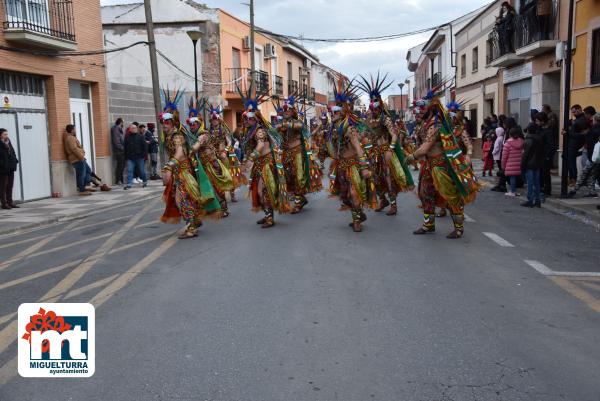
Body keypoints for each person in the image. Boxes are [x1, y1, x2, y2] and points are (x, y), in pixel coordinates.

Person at [407, 91, 479, 239]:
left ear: (431, 108)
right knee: (425, 194)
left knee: (450, 196)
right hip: (428, 165)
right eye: (419, 108)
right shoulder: (425, 124)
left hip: (441, 166)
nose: (419, 111)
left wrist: (410, 157)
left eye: (422, 108)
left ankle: (458, 228)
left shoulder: (436, 125)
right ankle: (429, 225)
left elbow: (426, 147)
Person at [160, 90, 221, 239]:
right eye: (163, 122)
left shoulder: (177, 136)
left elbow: (180, 151)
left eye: (167, 122)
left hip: (185, 172)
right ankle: (195, 220)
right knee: (181, 198)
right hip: (179, 171)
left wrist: (169, 165)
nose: (164, 125)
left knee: (183, 199)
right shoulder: (169, 136)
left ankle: (193, 226)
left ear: (173, 122)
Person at [358, 73, 414, 216]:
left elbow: (394, 134)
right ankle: (383, 200)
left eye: (376, 105)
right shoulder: (369, 120)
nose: (373, 108)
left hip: (386, 152)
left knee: (389, 178)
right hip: (374, 153)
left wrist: (390, 149)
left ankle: (394, 204)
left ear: (380, 105)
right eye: (371, 105)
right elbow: (365, 134)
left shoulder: (386, 119)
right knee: (374, 178)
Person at [328, 81, 376, 232]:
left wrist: (364, 168)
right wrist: (333, 166)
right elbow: (334, 149)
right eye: (333, 110)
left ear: (343, 111)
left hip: (354, 165)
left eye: (336, 111)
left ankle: (356, 221)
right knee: (345, 195)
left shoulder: (350, 128)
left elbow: (358, 148)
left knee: (354, 193)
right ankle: (359, 214)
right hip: (341, 166)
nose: (333, 113)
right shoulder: (333, 129)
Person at [240, 91, 290, 228]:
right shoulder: (251, 131)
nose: (247, 121)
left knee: (264, 190)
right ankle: (267, 214)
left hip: (266, 164)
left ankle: (269, 218)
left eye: (249, 119)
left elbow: (261, 145)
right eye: (246, 118)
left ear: (255, 119)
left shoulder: (260, 131)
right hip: (259, 164)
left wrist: (250, 159)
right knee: (258, 190)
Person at [189, 98, 234, 217]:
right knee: (204, 186)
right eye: (190, 124)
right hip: (202, 164)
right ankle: (210, 207)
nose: (192, 126)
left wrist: (226, 149)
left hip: (212, 161)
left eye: (194, 123)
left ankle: (224, 207)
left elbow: (196, 146)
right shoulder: (204, 132)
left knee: (216, 185)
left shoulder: (204, 134)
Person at [277, 94, 322, 214]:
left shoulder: (297, 122)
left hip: (297, 154)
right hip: (286, 154)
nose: (285, 111)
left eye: (288, 109)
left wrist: (285, 125)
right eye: (284, 109)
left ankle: (298, 203)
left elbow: (301, 127)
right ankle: (301, 199)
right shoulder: (280, 124)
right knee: (287, 177)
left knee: (298, 177)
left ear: (292, 111)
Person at [207, 103, 247, 203]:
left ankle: (232, 194)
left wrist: (225, 150)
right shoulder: (208, 131)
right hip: (213, 155)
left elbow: (229, 142)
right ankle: (217, 195)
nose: (214, 121)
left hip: (223, 154)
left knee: (229, 174)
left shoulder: (223, 130)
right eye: (213, 120)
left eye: (216, 119)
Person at [568, 113, 600, 198]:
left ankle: (573, 191)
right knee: (592, 175)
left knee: (584, 174)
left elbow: (588, 142)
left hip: (593, 157)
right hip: (596, 157)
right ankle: (592, 192)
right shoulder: (594, 130)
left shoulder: (593, 131)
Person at [64, 124, 92, 196]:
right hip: (77, 159)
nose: (75, 130)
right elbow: (74, 149)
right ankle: (81, 189)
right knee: (81, 175)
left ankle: (84, 187)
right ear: (72, 130)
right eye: (74, 129)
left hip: (79, 159)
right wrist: (81, 157)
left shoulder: (72, 138)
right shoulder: (70, 138)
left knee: (88, 171)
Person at [521, 122, 544, 208]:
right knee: (536, 182)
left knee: (530, 183)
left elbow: (525, 155)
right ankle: (537, 200)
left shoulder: (528, 140)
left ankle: (530, 199)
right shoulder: (539, 139)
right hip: (537, 163)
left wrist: (522, 165)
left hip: (529, 164)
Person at [563, 105, 588, 185]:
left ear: (579, 110)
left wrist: (568, 132)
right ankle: (572, 179)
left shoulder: (582, 120)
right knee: (569, 161)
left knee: (571, 162)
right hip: (572, 144)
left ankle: (573, 179)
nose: (573, 114)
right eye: (572, 112)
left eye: (574, 112)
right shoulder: (577, 120)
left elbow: (582, 135)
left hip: (575, 144)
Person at [123, 124, 147, 190]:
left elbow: (144, 146)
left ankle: (144, 182)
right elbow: (125, 147)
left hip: (140, 157)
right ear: (130, 129)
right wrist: (126, 156)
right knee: (130, 170)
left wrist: (144, 155)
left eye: (135, 128)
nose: (134, 129)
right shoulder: (127, 137)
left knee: (142, 171)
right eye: (133, 128)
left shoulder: (140, 136)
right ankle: (129, 184)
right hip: (130, 158)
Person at [501, 127, 524, 197]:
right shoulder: (521, 142)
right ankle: (514, 191)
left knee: (512, 178)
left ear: (510, 134)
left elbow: (504, 156)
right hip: (519, 163)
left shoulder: (507, 144)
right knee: (516, 177)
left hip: (510, 163)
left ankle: (512, 191)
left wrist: (503, 165)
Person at [0, 128, 19, 209]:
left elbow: (12, 152)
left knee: (10, 186)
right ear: (0, 135)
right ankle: (4, 204)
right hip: (3, 169)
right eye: (4, 134)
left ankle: (10, 202)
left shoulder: (8, 141)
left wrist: (15, 160)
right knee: (3, 187)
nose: (6, 135)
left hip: (10, 167)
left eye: (6, 134)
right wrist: (2, 164)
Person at [491, 119, 506, 191]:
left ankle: (500, 184)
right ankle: (500, 184)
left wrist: (493, 152)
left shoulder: (498, 139)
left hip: (497, 156)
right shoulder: (502, 138)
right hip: (501, 155)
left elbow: (496, 147)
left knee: (500, 169)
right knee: (501, 169)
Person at [111, 118, 125, 185]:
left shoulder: (119, 129)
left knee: (122, 166)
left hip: (121, 151)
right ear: (120, 122)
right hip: (119, 151)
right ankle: (118, 180)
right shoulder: (116, 129)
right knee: (120, 166)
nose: (123, 124)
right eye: (123, 122)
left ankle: (121, 180)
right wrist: (122, 148)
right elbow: (116, 141)